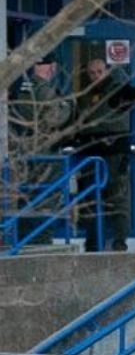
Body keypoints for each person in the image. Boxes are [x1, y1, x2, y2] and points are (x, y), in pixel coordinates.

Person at [75, 58, 135, 252]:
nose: (96, 76)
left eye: (100, 71)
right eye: (92, 73)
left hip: (113, 152)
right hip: (90, 153)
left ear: (106, 71)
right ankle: (92, 242)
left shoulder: (115, 89)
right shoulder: (84, 95)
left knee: (117, 197)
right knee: (90, 199)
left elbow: (131, 94)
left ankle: (120, 241)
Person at [9, 55, 74, 245]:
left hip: (26, 150)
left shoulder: (23, 87)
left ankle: (26, 240)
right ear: (52, 67)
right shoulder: (44, 89)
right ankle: (40, 242)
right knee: (47, 199)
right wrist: (67, 107)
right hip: (45, 153)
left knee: (28, 198)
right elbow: (54, 118)